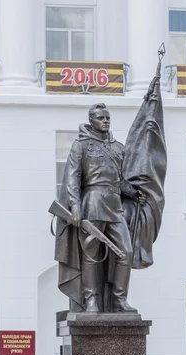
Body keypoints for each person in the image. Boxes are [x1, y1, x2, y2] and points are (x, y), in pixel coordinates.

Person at [62, 103, 143, 313]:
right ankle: (91, 300)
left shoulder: (117, 147)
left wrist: (133, 192)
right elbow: (73, 176)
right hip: (92, 202)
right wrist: (75, 205)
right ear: (92, 121)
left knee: (126, 251)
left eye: (107, 117)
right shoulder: (81, 145)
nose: (105, 121)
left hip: (115, 206)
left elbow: (120, 179)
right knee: (91, 254)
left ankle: (119, 299)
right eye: (100, 118)